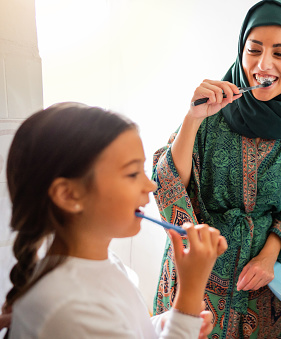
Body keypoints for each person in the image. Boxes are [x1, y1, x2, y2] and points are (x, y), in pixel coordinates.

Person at [152, 0, 281, 337]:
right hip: (197, 275)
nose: (263, 65)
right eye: (254, 50)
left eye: (280, 53)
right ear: (240, 50)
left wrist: (268, 257)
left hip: (256, 285)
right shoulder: (212, 106)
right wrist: (192, 120)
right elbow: (166, 184)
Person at [3, 102, 227, 339]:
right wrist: (189, 297)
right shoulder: (68, 308)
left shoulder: (106, 264)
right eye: (132, 173)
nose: (150, 185)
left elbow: (128, 328)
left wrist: (166, 324)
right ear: (69, 195)